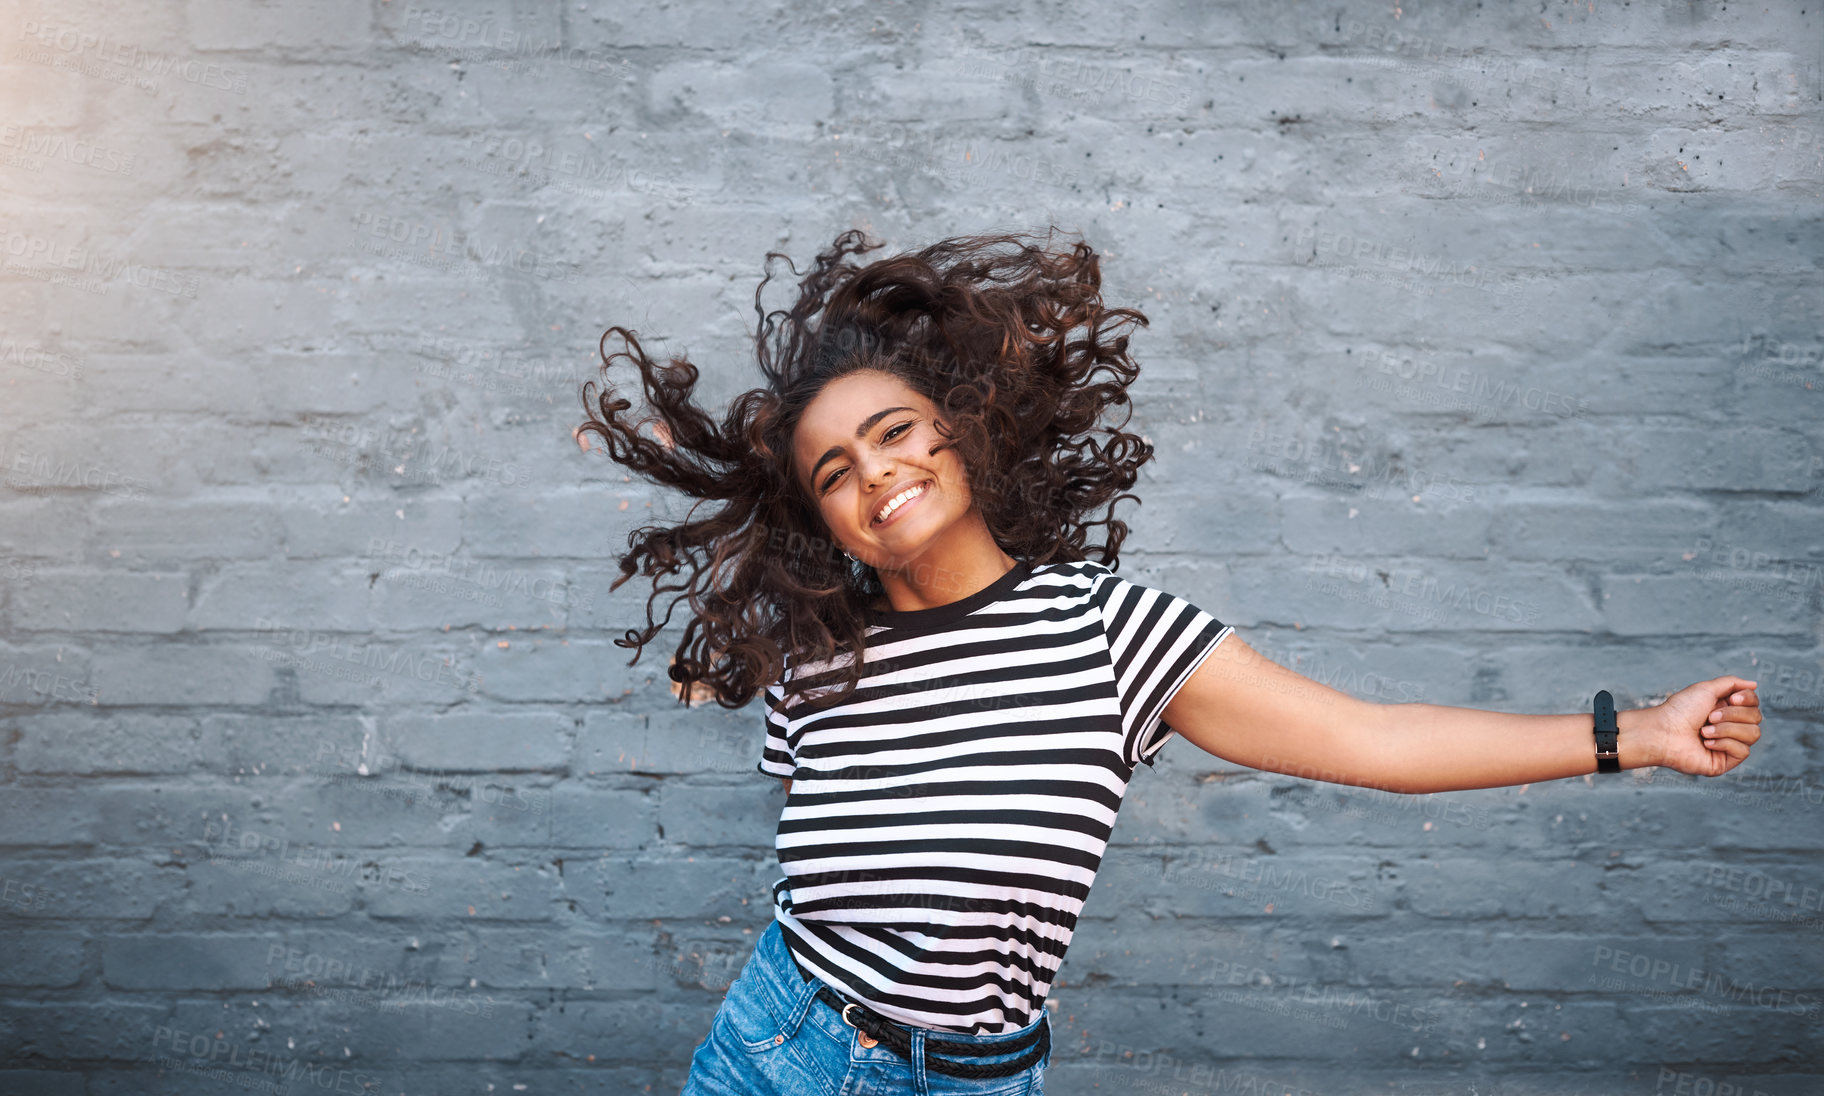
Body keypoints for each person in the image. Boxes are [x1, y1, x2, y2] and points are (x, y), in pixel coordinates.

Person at [574, 227, 1764, 1096]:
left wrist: (1635, 734)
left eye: (893, 432)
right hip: (779, 1045)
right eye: (834, 470)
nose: (873, 472)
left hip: (976, 1079)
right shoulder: (816, 667)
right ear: (824, 519)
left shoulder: (1113, 634)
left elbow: (1375, 739)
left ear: (960, 429)